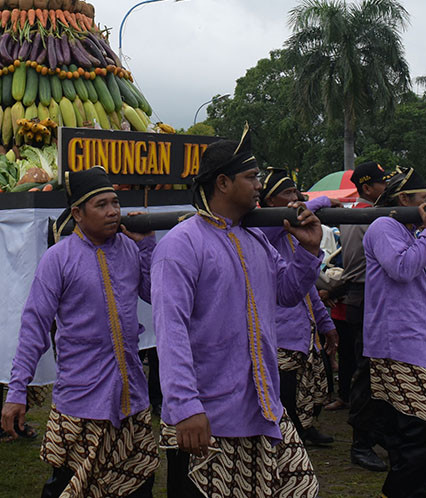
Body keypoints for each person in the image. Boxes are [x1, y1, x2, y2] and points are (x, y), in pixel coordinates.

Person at [152, 130, 322, 497]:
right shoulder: (181, 244)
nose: (260, 185)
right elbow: (171, 332)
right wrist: (184, 408)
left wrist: (308, 252)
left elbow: (288, 293)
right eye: (252, 177)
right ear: (223, 182)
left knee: (301, 488)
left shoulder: (256, 238)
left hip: (262, 405)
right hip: (206, 413)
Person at [2, 166, 158, 498]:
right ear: (77, 213)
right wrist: (17, 391)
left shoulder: (129, 249)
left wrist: (146, 248)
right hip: (81, 399)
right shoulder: (58, 259)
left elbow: (154, 293)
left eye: (115, 202)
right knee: (70, 487)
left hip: (132, 398)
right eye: (101, 204)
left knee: (138, 486)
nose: (113, 211)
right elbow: (35, 326)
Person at [361, 167, 426, 498]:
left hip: (415, 342)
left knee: (419, 430)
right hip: (398, 344)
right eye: (425, 200)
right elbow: (401, 269)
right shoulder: (383, 225)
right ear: (403, 200)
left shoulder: (406, 230)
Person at [259, 168, 339, 447]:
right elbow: (284, 219)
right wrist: (319, 202)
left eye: (295, 192)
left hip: (302, 329)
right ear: (268, 201)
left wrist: (326, 323)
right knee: (285, 394)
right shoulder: (263, 229)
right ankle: (287, 439)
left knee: (309, 389)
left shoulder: (292, 234)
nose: (294, 198)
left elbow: (305, 286)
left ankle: (303, 432)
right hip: (279, 332)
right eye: (287, 193)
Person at [341, 161, 391, 471]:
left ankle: (379, 435)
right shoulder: (370, 216)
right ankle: (361, 443)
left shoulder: (353, 211)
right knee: (368, 372)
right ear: (368, 187)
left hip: (362, 295)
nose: (388, 188)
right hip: (366, 294)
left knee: (375, 369)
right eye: (383, 183)